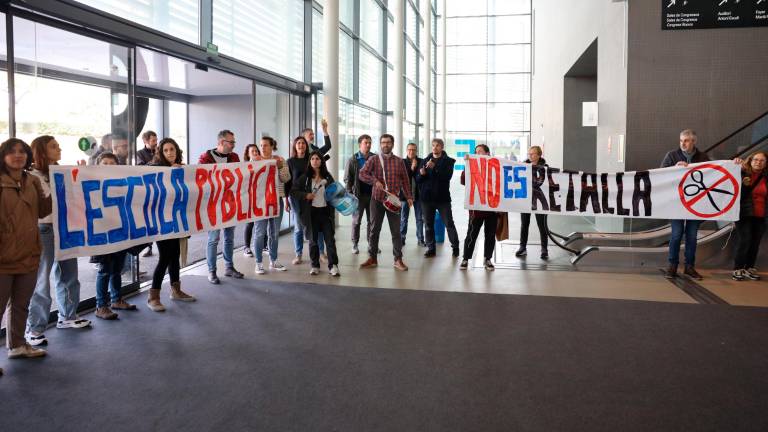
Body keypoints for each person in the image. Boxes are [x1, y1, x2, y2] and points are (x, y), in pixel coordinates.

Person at [25, 136, 91, 347]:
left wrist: (81, 176)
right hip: (43, 229)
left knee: (69, 273)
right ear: (41, 151)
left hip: (64, 227)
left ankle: (68, 316)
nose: (59, 148)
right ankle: (35, 328)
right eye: (53, 146)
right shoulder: (31, 176)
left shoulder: (60, 172)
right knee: (41, 280)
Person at [0, 138, 52, 365]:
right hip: (3, 258)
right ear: (3, 156)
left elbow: (42, 212)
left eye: (22, 151)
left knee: (21, 305)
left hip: (29, 254)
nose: (18, 155)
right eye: (12, 152)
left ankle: (18, 345)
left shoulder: (31, 181)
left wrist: (59, 188)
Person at [90, 152, 141, 320]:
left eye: (112, 163)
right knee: (105, 270)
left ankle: (116, 299)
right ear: (98, 165)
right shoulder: (92, 182)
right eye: (105, 163)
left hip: (119, 230)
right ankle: (101, 306)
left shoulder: (122, 183)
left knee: (117, 268)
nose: (109, 166)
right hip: (102, 232)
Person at [147, 138, 195, 310]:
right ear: (160, 152)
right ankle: (153, 296)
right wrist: (168, 171)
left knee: (174, 255)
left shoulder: (181, 168)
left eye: (172, 149)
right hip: (161, 221)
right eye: (166, 150)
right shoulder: (155, 168)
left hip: (177, 220)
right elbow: (146, 173)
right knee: (165, 257)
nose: (170, 153)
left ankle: (176, 290)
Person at [359, 134, 414, 271]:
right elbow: (362, 173)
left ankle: (398, 259)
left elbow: (405, 181)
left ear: (392, 144)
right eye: (383, 142)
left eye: (388, 143)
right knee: (374, 230)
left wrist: (409, 196)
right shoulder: (374, 159)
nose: (385, 145)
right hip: (377, 199)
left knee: (396, 232)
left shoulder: (399, 161)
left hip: (393, 201)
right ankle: (372, 258)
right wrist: (374, 181)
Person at [199, 129, 244, 284]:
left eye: (233, 142)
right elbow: (201, 181)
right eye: (231, 142)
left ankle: (229, 267)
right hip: (213, 205)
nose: (233, 145)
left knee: (229, 237)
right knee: (214, 238)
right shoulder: (206, 158)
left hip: (230, 203)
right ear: (221, 142)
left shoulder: (234, 157)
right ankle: (211, 271)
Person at [291, 152, 340, 276]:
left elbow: (335, 192)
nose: (314, 161)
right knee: (313, 240)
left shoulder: (328, 177)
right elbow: (293, 191)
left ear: (321, 161)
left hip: (325, 213)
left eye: (317, 158)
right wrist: (306, 195)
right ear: (310, 161)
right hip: (311, 213)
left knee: (329, 240)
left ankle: (333, 265)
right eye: (312, 158)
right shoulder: (305, 178)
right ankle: (315, 265)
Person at [252, 136, 291, 275]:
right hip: (260, 201)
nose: (262, 148)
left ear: (272, 146)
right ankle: (258, 263)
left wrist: (280, 168)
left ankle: (273, 260)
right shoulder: (255, 161)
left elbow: (286, 178)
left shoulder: (280, 160)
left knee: (274, 233)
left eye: (266, 145)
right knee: (259, 232)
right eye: (261, 145)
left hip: (276, 200)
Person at [416, 138, 460, 258]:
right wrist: (421, 174)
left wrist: (434, 168)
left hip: (442, 199)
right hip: (427, 199)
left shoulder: (448, 161)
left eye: (437, 146)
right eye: (433, 145)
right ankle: (431, 248)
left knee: (449, 223)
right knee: (428, 225)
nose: (435, 148)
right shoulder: (425, 160)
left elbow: (447, 177)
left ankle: (455, 247)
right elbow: (418, 179)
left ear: (442, 147)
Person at [460, 144, 497, 271]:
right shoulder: (472, 165)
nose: (477, 153)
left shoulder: (496, 165)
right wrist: (467, 166)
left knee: (490, 235)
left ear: (487, 153)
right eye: (476, 151)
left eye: (480, 151)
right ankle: (465, 258)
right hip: (476, 209)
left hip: (492, 208)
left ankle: (487, 259)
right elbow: (464, 181)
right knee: (471, 234)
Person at [288, 136, 325, 264]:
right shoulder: (290, 161)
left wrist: (325, 132)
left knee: (317, 226)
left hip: (314, 197)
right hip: (297, 198)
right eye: (298, 143)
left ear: (306, 145)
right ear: (295, 146)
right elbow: (288, 183)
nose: (301, 145)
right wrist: (285, 200)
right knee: (298, 227)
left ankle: (321, 252)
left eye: (303, 143)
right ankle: (298, 254)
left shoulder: (311, 159)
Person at [732, 151, 767, 281]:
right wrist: (735, 164)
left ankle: (749, 268)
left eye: (762, 160)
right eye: (756, 160)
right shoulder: (741, 172)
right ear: (750, 161)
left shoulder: (766, 176)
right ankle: (738, 268)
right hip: (744, 213)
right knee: (744, 241)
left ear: (765, 163)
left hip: (761, 215)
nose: (758, 162)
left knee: (755, 243)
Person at [516, 146, 550, 260]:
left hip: (540, 201)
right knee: (524, 225)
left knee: (542, 226)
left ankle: (544, 249)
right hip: (526, 200)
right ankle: (522, 247)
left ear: (539, 155)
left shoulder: (545, 168)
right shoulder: (523, 166)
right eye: (529, 153)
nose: (530, 156)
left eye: (533, 154)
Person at [345, 134, 376, 254]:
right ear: (360, 144)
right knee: (357, 221)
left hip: (373, 195)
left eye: (369, 142)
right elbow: (348, 178)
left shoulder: (375, 158)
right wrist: (349, 195)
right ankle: (355, 244)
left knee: (372, 221)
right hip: (358, 196)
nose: (368, 145)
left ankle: (371, 244)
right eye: (365, 142)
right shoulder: (353, 159)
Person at [137, 130, 157, 257]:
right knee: (147, 219)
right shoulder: (139, 154)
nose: (156, 143)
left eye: (156, 140)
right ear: (145, 141)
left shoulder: (160, 151)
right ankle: (148, 246)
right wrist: (156, 160)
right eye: (153, 140)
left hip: (158, 188)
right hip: (146, 190)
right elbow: (141, 168)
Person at [400, 142, 425, 247]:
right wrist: (412, 168)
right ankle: (402, 238)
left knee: (419, 218)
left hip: (418, 195)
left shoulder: (422, 161)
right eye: (409, 149)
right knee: (403, 218)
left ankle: (420, 239)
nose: (411, 151)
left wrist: (419, 171)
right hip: (405, 195)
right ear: (407, 150)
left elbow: (422, 177)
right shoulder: (402, 162)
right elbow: (403, 178)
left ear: (416, 151)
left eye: (414, 150)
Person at [242, 144, 262, 257]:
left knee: (262, 222)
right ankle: (247, 246)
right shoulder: (245, 166)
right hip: (249, 197)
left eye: (256, 151)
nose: (255, 153)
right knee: (250, 223)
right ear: (248, 154)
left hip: (261, 197)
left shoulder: (263, 163)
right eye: (252, 151)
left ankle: (263, 245)